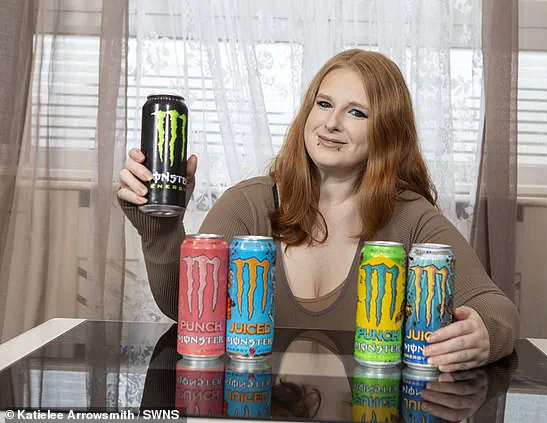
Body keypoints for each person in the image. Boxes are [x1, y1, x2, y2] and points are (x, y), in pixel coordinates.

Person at [118, 49, 520, 372]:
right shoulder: (248, 204)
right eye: (324, 104)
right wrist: (160, 229)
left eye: (356, 112)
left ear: (387, 132)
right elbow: (184, 309)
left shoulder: (410, 217)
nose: (331, 123)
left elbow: (496, 309)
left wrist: (482, 336)